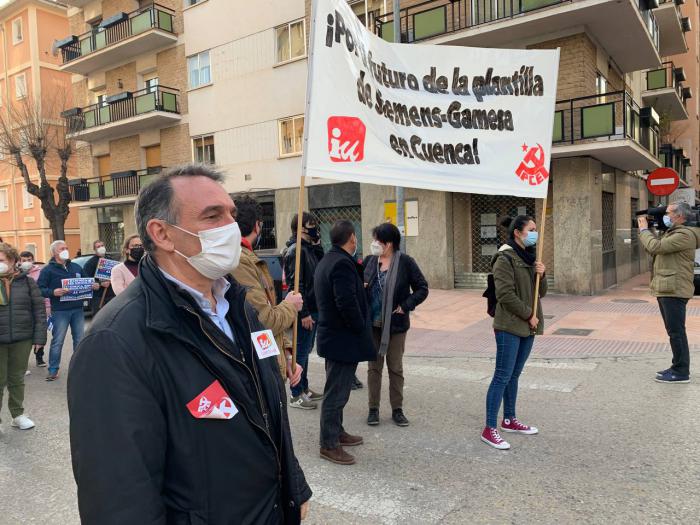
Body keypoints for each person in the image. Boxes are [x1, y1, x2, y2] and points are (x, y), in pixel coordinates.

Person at [68, 165, 311, 523]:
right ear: (162, 233)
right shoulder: (115, 342)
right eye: (212, 216)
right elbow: (119, 501)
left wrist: (294, 488)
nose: (230, 227)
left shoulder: (240, 306)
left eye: (230, 214)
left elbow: (266, 411)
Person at [482, 215, 546, 450]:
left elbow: (542, 292)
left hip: (528, 326)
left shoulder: (529, 258)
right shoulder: (504, 258)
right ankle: (489, 429)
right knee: (502, 375)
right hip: (510, 325)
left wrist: (542, 272)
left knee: (514, 375)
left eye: (535, 229)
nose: (535, 233)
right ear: (517, 232)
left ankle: (509, 419)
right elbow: (505, 295)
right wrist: (529, 315)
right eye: (531, 229)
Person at [314, 220, 376, 465]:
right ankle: (328, 444)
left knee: (338, 390)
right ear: (352, 238)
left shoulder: (330, 259)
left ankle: (337, 432)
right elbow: (345, 303)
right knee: (336, 394)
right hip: (342, 340)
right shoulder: (341, 263)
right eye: (356, 237)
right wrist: (361, 327)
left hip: (334, 338)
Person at [232, 196, 304, 385]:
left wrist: (287, 353)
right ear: (257, 226)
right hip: (257, 372)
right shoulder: (239, 260)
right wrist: (290, 305)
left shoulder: (247, 257)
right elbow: (264, 320)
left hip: (268, 364)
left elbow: (267, 311)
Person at [364, 223, 428, 427]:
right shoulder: (369, 261)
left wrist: (406, 305)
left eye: (378, 240)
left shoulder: (405, 262)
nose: (374, 244)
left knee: (395, 368)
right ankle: (373, 409)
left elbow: (422, 288)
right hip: (372, 325)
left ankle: (397, 409)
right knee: (374, 368)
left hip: (396, 326)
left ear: (389, 243)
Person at [638, 201, 700, 384]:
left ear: (680, 216)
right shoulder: (675, 232)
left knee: (676, 332)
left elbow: (655, 247)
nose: (666, 215)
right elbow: (656, 248)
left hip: (674, 288)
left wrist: (643, 231)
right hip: (669, 286)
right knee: (674, 331)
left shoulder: (685, 235)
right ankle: (677, 365)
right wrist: (652, 229)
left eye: (669, 212)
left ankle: (681, 372)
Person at [0, 243, 47, 430]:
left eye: (2, 260)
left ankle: (17, 414)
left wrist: (39, 337)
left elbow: (39, 311)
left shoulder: (27, 282)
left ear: (13, 261)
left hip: (22, 338)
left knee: (17, 379)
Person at [38, 240, 98, 382]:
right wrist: (53, 292)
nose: (65, 250)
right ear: (54, 253)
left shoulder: (76, 267)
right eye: (61, 249)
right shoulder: (47, 270)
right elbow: (39, 289)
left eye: (66, 247)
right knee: (58, 341)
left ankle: (80, 367)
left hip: (77, 310)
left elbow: (86, 282)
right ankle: (53, 370)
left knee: (79, 340)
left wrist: (94, 285)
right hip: (60, 311)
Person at [283, 212, 324, 409]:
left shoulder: (308, 249)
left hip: (314, 308)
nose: (315, 228)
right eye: (311, 225)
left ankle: (304, 387)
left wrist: (317, 245)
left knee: (306, 351)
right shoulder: (295, 251)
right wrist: (304, 312)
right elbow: (295, 285)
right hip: (305, 311)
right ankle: (296, 393)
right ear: (300, 228)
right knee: (300, 352)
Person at [19, 251, 49, 367]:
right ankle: (23, 362)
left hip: (38, 307)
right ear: (19, 261)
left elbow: (43, 290)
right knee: (24, 335)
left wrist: (47, 306)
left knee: (39, 332)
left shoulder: (40, 272)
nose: (27, 262)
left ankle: (39, 357)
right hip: (23, 308)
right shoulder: (17, 274)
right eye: (24, 260)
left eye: (29, 260)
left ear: (33, 260)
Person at [82, 240, 115, 314]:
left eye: (102, 245)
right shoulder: (90, 263)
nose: (101, 247)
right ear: (95, 249)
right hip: (98, 298)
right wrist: (100, 283)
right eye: (98, 246)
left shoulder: (111, 260)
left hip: (111, 296)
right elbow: (85, 278)